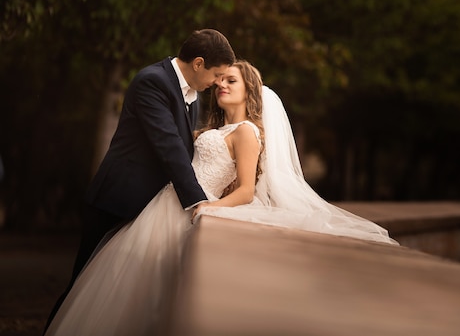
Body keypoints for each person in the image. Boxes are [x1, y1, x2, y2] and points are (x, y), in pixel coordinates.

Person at [44, 60, 398, 336]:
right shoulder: (212, 126)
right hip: (164, 203)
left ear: (250, 91)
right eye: (220, 80)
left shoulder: (246, 132)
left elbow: (245, 190)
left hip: (191, 207)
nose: (221, 86)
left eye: (231, 81)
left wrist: (208, 206)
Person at [44, 28, 236, 332]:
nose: (217, 83)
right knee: (83, 289)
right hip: (118, 201)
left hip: (150, 209)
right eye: (216, 74)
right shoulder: (153, 81)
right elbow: (169, 146)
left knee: (117, 293)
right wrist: (200, 200)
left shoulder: (193, 95)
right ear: (198, 63)